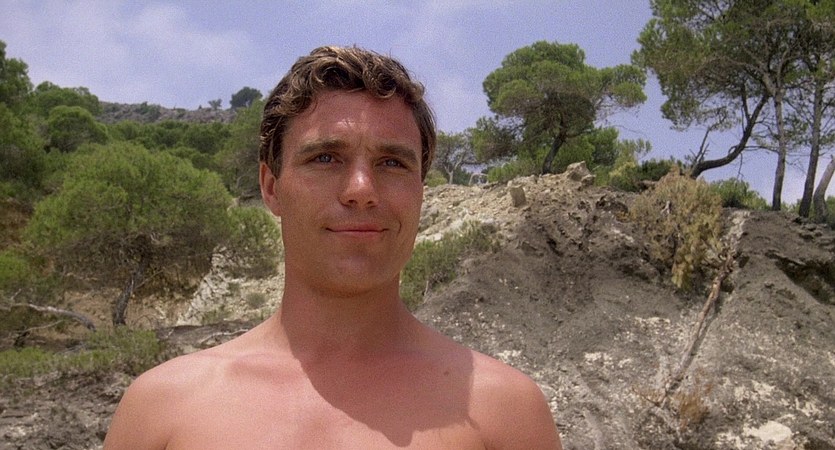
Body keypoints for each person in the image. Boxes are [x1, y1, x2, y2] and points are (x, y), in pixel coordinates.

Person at [104, 45, 562, 449]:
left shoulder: (506, 414)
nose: (361, 189)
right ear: (271, 187)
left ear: (421, 191)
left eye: (392, 162)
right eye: (325, 158)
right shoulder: (163, 410)